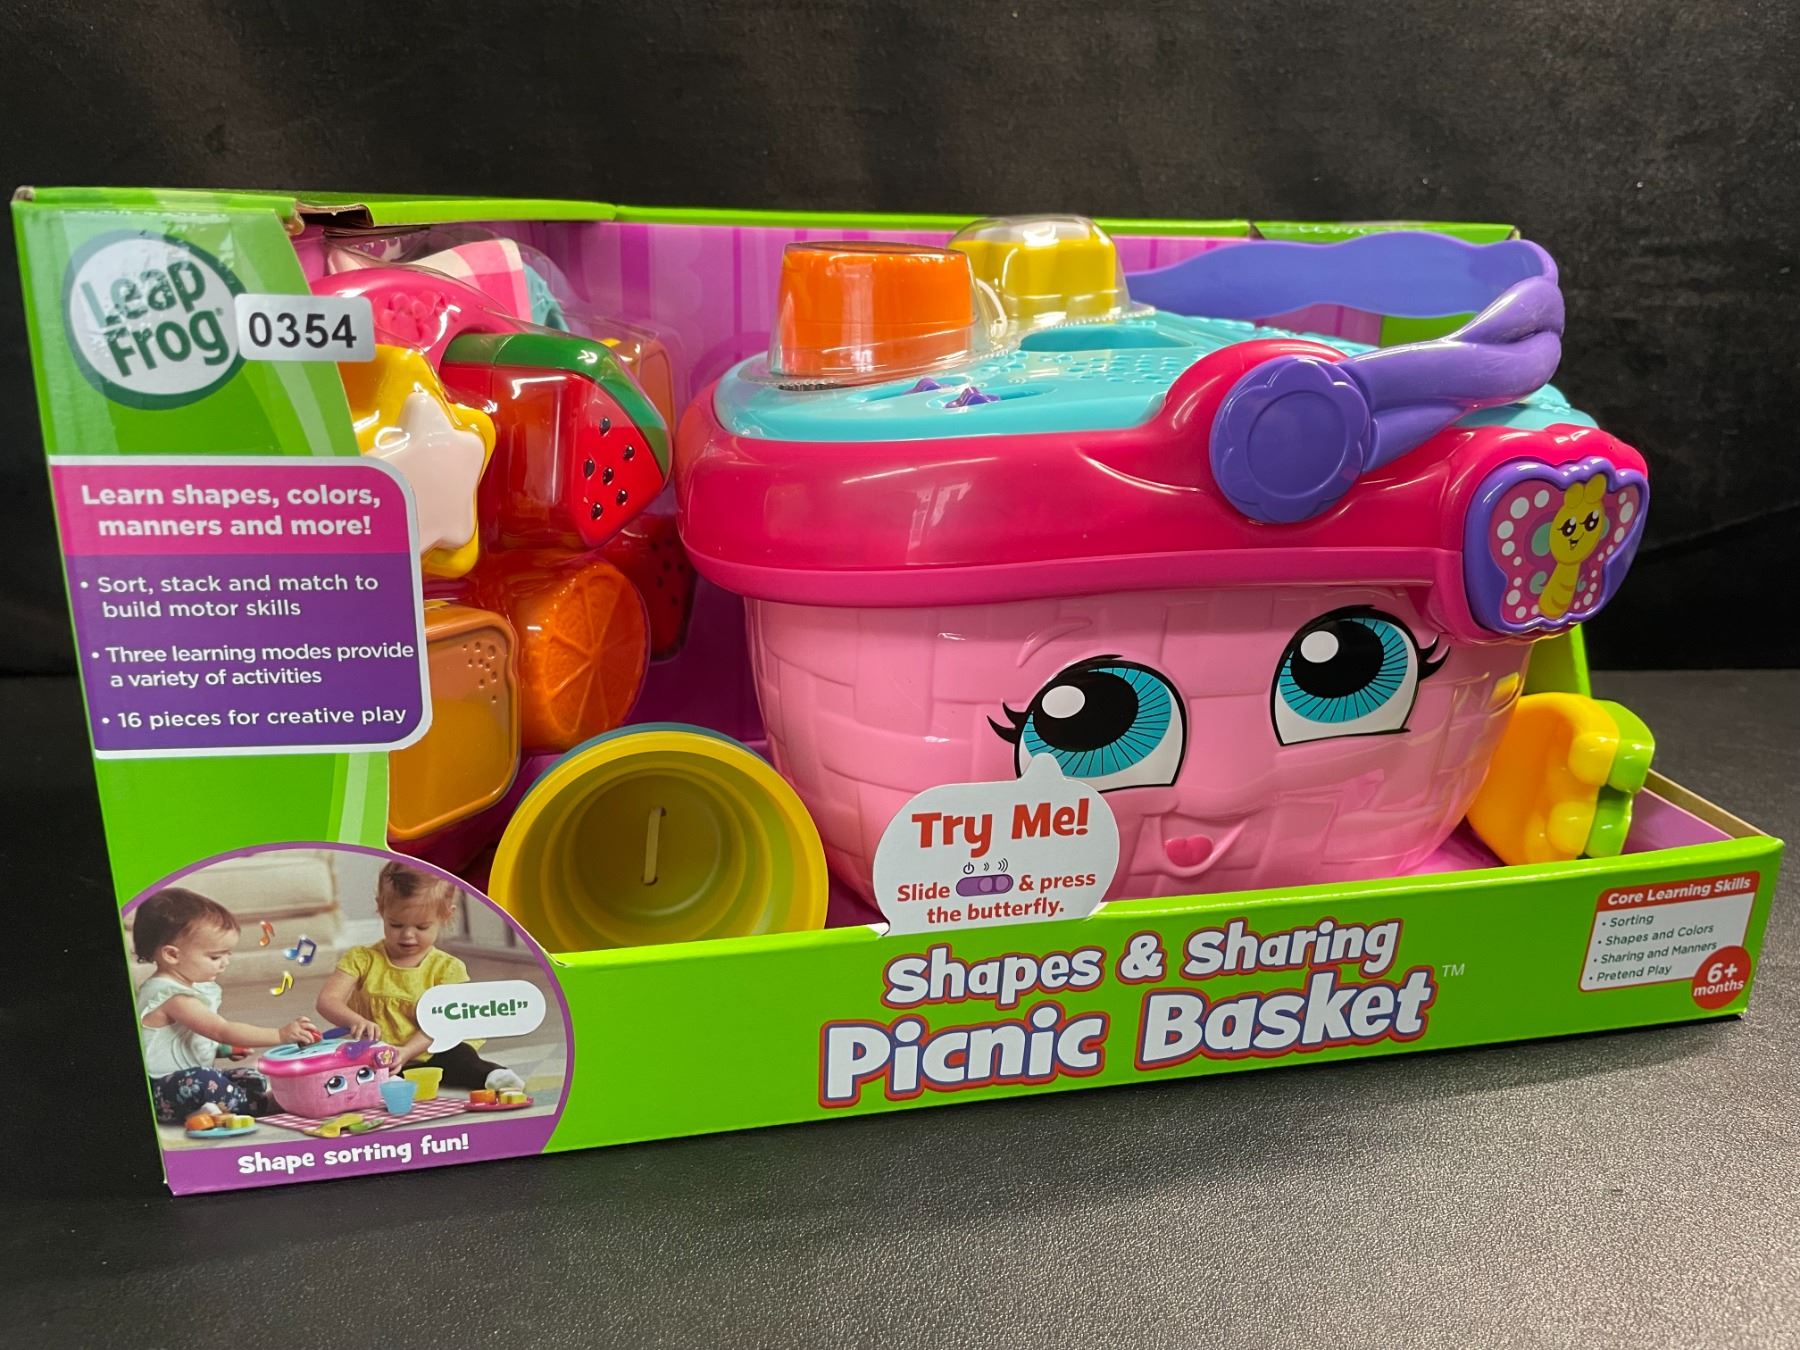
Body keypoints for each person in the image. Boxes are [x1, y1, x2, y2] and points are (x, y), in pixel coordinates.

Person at [316, 861, 525, 1093]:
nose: (407, 935)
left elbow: (444, 1025)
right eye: (396, 925)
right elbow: (327, 1000)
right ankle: (388, 1082)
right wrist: (355, 1021)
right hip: (378, 1055)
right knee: (350, 1067)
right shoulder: (361, 958)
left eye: (422, 927)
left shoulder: (447, 968)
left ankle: (492, 1075)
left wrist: (406, 1052)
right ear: (381, 909)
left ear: (446, 915)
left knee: (460, 1054)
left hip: (433, 1051)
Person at [132, 887, 319, 1124]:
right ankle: (261, 1105)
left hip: (179, 1083)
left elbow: (180, 1040)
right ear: (172, 955)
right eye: (215, 957)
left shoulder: (185, 988)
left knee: (250, 1077)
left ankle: (208, 1110)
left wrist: (222, 1050)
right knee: (205, 1080)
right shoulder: (171, 996)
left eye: (227, 955)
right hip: (159, 1091)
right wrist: (280, 1035)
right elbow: (220, 1030)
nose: (225, 963)